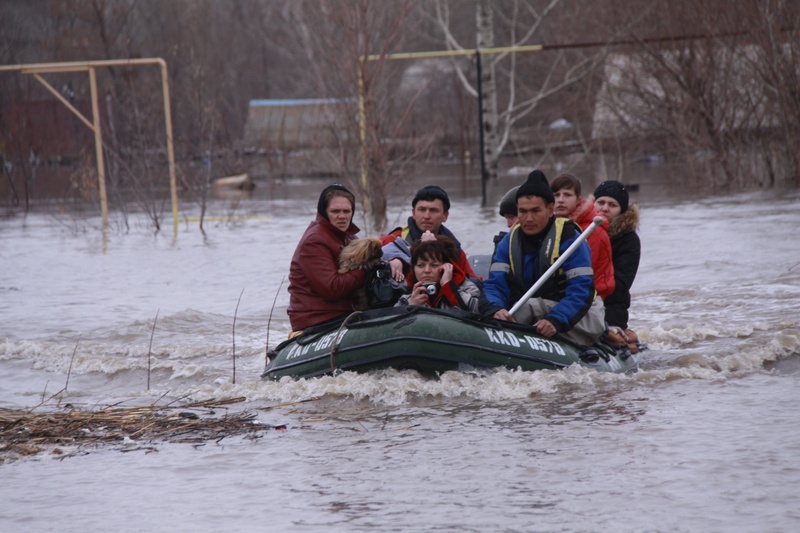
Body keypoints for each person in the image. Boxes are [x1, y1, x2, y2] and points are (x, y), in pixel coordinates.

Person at [483, 170, 606, 347]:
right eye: (523, 211)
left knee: (528, 307)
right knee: (513, 308)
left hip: (580, 314)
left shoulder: (569, 237)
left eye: (535, 211)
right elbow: (495, 284)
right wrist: (495, 309)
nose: (528, 218)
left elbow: (581, 289)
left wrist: (555, 320)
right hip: (532, 309)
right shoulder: (508, 242)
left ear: (550, 209)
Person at [287, 183, 367, 334]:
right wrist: (365, 272)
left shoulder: (349, 237)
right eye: (335, 211)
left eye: (346, 211)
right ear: (324, 212)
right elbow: (332, 288)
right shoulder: (314, 241)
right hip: (317, 319)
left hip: (342, 314)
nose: (342, 216)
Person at [381, 185, 479, 282]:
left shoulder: (454, 247)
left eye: (433, 210)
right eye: (422, 210)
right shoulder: (391, 240)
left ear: (445, 216)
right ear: (413, 213)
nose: (427, 216)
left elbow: (473, 283)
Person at [593, 180, 641, 352]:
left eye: (612, 205)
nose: (605, 208)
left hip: (611, 306)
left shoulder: (629, 240)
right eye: (601, 202)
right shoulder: (578, 231)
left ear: (621, 210)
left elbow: (621, 284)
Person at [551, 173, 615, 300]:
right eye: (556, 195)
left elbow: (583, 272)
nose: (560, 200)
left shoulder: (592, 230)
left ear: (578, 199)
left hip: (594, 298)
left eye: (567, 195)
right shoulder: (552, 227)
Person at [396, 236, 495, 314]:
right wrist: (411, 306)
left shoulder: (468, 288)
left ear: (446, 267)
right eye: (420, 265)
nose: (426, 270)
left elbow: (478, 312)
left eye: (434, 265)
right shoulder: (407, 298)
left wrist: (449, 287)